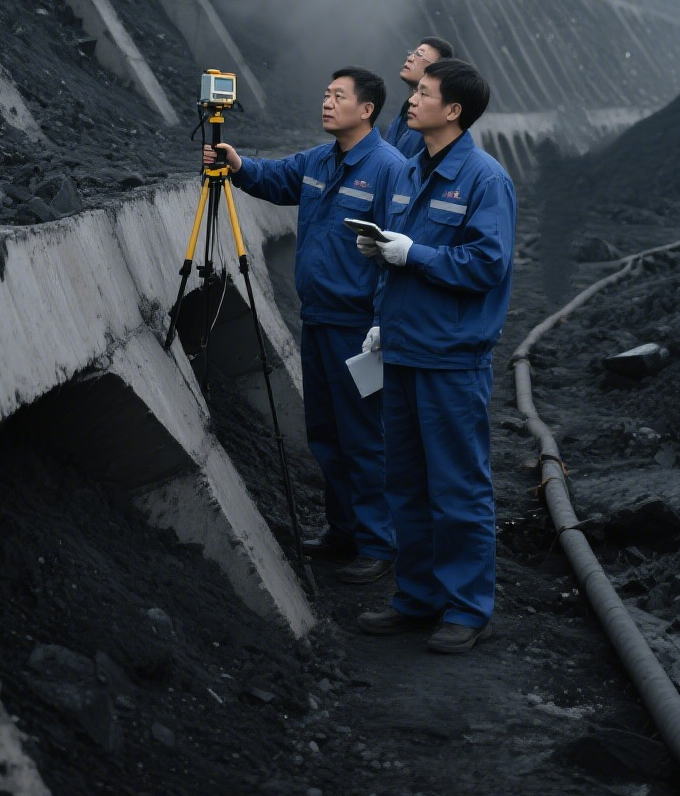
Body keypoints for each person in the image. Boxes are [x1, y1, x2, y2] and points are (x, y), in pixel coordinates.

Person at [205, 67, 405, 584]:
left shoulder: (389, 170)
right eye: (325, 93)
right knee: (326, 432)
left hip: (359, 327)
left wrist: (383, 324)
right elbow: (277, 178)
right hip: (316, 319)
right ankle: (343, 530)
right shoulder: (319, 160)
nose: (327, 102)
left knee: (364, 435)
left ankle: (379, 543)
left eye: (338, 96)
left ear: (366, 110)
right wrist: (239, 164)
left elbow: (397, 257)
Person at [354, 57, 515, 653]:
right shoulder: (411, 172)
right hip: (402, 350)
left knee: (457, 488)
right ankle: (416, 599)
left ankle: (468, 610)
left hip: (451, 359)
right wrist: (379, 319)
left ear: (454, 110)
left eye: (424, 93)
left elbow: (486, 265)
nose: (412, 100)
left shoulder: (484, 179)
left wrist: (412, 254)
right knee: (407, 482)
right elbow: (393, 257)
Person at [383, 35, 454, 160]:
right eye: (412, 53)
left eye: (419, 55)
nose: (410, 58)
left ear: (437, 69)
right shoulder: (405, 112)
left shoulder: (433, 125)